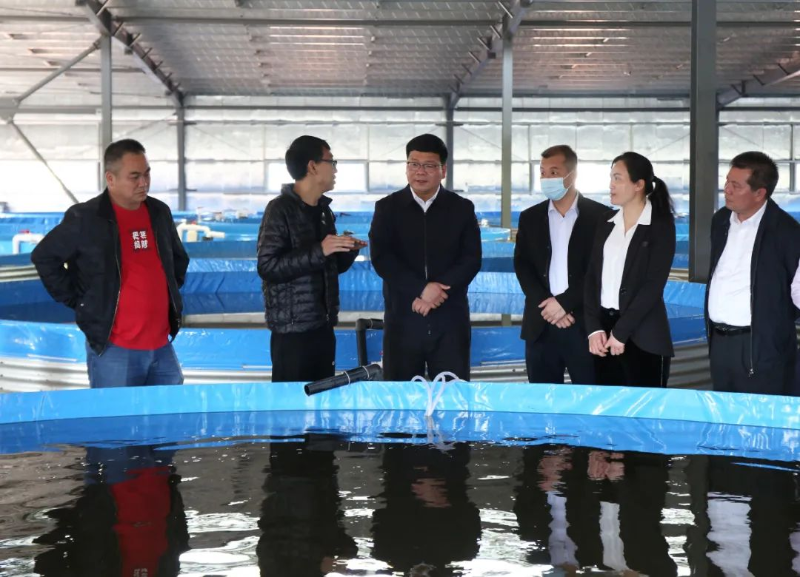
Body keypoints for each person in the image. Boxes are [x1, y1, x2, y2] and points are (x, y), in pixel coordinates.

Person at [31, 139, 189, 388]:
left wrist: (166, 292)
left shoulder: (159, 212)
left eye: (147, 174)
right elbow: (44, 257)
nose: (144, 183)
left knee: (169, 412)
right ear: (111, 178)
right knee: (116, 413)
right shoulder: (85, 218)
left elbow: (178, 260)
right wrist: (81, 301)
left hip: (162, 347)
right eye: (134, 176)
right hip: (114, 349)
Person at [369, 134, 481, 381]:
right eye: (414, 164)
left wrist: (437, 293)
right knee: (402, 396)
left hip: (450, 322)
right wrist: (421, 289)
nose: (420, 172)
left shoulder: (461, 208)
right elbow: (382, 258)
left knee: (453, 394)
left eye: (429, 165)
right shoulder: (387, 208)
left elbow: (471, 259)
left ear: (443, 170)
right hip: (403, 320)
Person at [257, 135, 366, 382]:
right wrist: (320, 250)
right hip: (293, 333)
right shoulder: (279, 209)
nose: (335, 169)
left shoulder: (324, 211)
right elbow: (268, 266)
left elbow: (328, 266)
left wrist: (347, 250)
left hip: (323, 327)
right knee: (293, 401)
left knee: (322, 397)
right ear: (313, 166)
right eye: (331, 161)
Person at [706, 151, 800, 395]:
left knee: (760, 412)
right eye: (727, 181)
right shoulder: (720, 221)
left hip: (762, 349)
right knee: (724, 409)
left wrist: (771, 335)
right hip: (719, 343)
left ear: (760, 194)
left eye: (736, 186)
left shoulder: (787, 233)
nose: (727, 189)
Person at [514, 145, 608, 385]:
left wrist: (565, 303)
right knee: (543, 399)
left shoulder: (601, 217)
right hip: (541, 324)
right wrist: (548, 305)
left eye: (554, 172)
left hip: (584, 325)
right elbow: (523, 266)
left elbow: (600, 271)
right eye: (543, 172)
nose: (546, 178)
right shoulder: (530, 218)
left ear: (572, 175)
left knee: (590, 397)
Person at [584, 151, 676, 387]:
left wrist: (620, 332)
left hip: (642, 334)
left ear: (638, 185)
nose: (611, 185)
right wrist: (593, 328)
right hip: (603, 336)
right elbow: (592, 278)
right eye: (611, 178)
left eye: (618, 178)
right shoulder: (606, 222)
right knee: (607, 404)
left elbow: (653, 285)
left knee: (646, 404)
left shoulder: (661, 225)